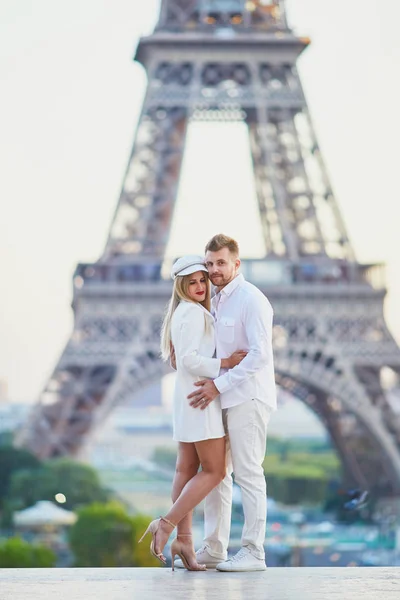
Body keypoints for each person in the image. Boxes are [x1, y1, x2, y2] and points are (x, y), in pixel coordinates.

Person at [175, 234, 277, 572]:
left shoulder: (251, 299)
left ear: (236, 263)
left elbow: (260, 356)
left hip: (246, 396)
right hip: (224, 399)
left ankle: (253, 551)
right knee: (218, 475)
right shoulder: (216, 302)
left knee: (249, 473)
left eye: (221, 263)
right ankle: (215, 548)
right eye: (210, 263)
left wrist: (220, 383)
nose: (215, 269)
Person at [139, 255, 246, 570]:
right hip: (201, 398)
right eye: (192, 282)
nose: (200, 286)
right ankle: (168, 524)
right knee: (215, 471)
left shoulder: (183, 313)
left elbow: (179, 359)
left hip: (186, 397)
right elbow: (188, 359)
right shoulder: (194, 314)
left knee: (184, 470)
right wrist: (226, 363)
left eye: (203, 280)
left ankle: (184, 540)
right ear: (181, 286)